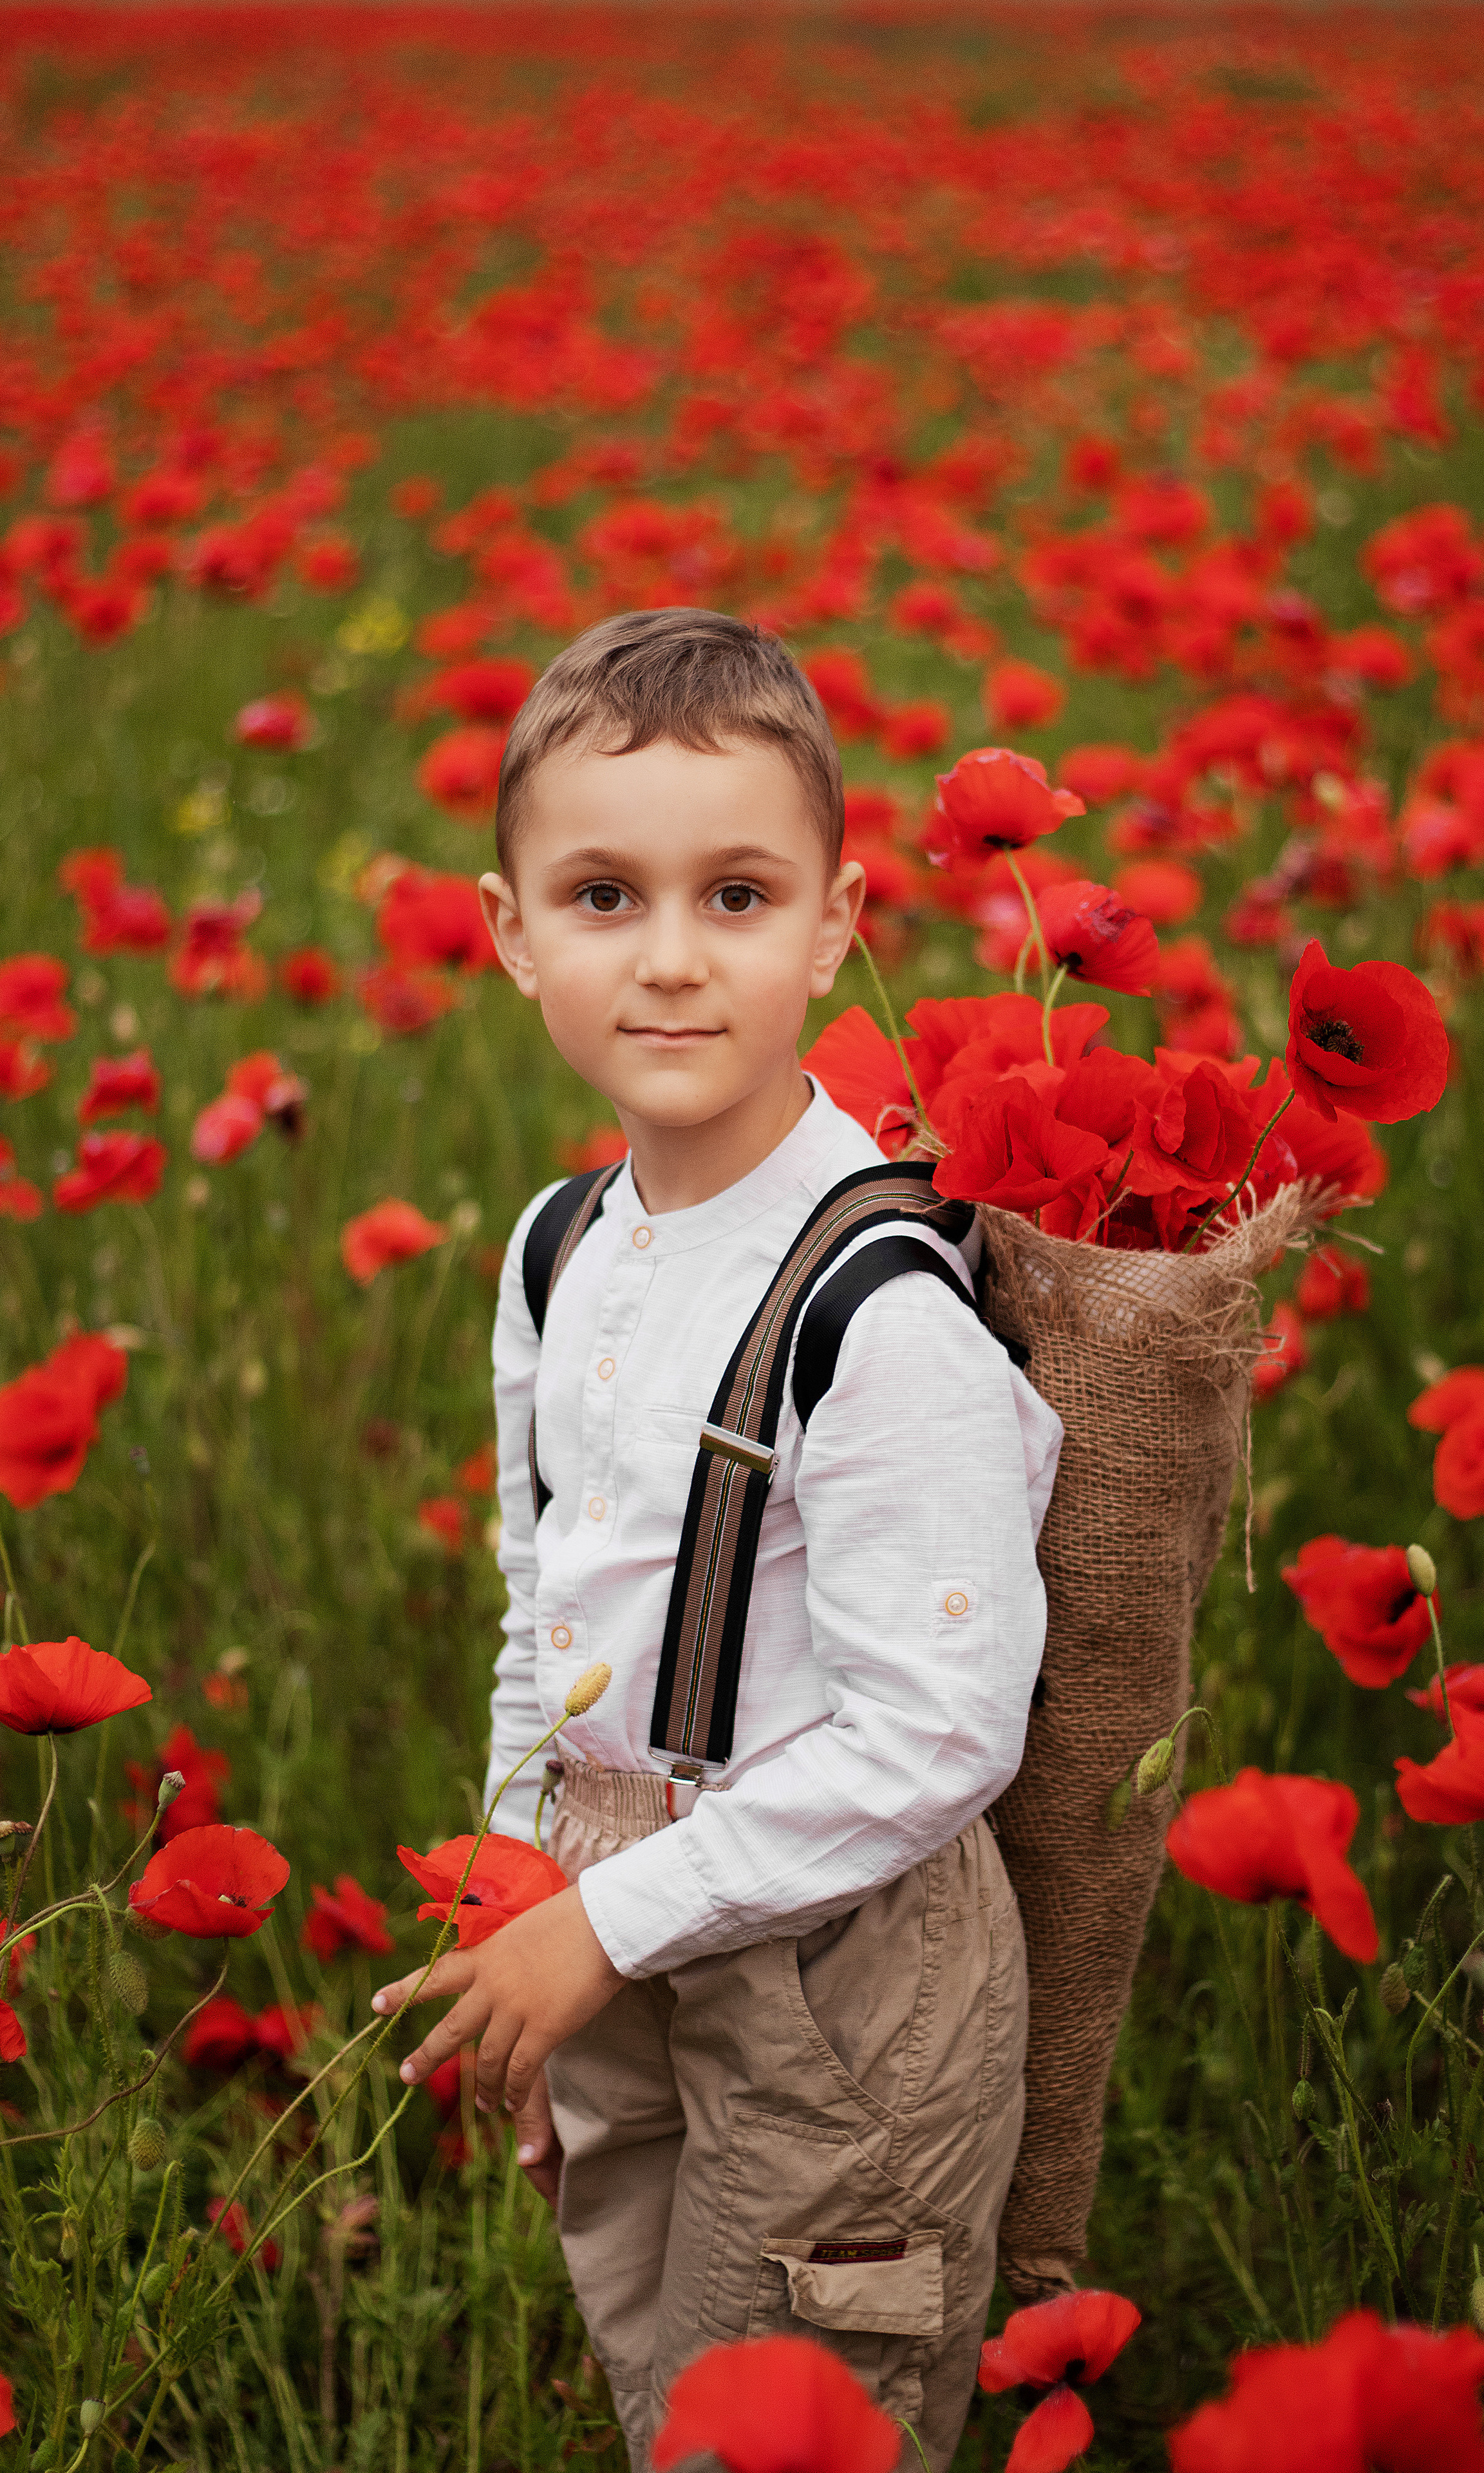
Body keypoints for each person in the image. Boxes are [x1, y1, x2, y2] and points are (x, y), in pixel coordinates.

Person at [373, 607, 1061, 2468]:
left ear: (837, 924)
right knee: (655, 2368)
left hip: (840, 1967)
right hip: (605, 1902)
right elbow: (547, 1597)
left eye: (738, 897)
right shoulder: (559, 1249)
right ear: (511, 933)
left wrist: (607, 1925)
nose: (672, 959)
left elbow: (942, 1732)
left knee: (791, 2416)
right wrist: (526, 1887)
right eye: (604, 896)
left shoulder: (875, 1309)